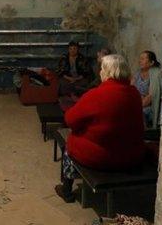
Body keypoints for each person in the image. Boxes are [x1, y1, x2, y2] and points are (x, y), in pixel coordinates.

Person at [54, 54, 145, 202]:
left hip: (103, 158)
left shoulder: (96, 95)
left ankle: (67, 191)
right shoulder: (134, 93)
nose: (100, 72)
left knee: (70, 144)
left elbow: (70, 119)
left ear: (108, 72)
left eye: (102, 69)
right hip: (130, 155)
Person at [131, 50, 162, 129]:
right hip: (137, 103)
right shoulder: (137, 74)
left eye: (143, 59)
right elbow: (130, 89)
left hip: (148, 107)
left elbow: (151, 97)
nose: (140, 61)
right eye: (140, 58)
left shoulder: (155, 74)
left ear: (151, 63)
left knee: (138, 114)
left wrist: (134, 105)